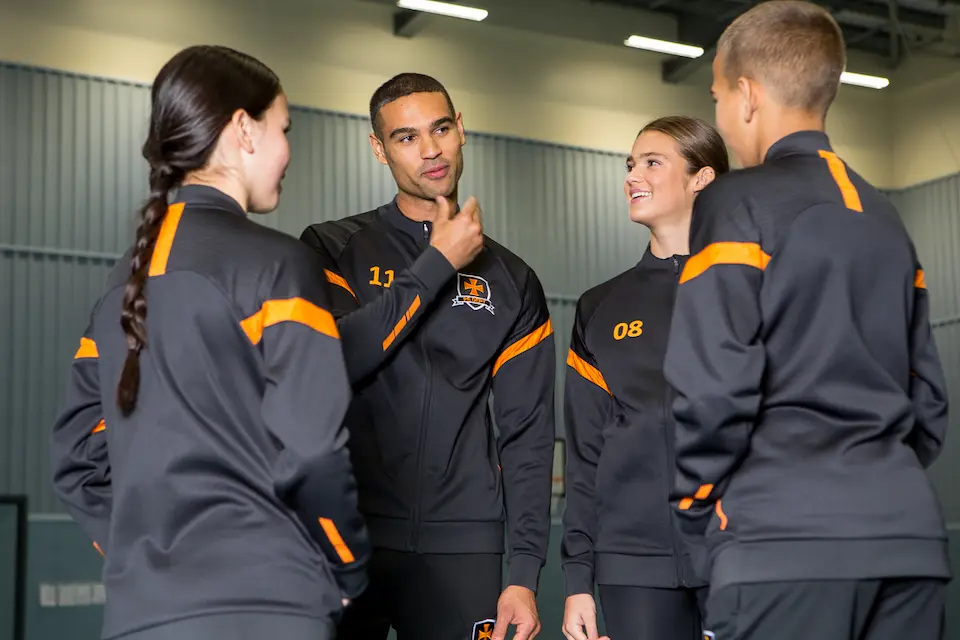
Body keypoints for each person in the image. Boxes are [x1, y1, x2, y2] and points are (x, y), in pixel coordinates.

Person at [49, 45, 370, 640]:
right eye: (284, 129)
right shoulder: (281, 266)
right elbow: (313, 452)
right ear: (244, 130)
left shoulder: (125, 280)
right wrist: (347, 569)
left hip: (141, 613)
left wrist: (140, 555)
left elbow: (76, 459)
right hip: (268, 604)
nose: (288, 151)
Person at [661, 2, 951, 639]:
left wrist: (694, 510)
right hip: (907, 539)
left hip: (780, 538)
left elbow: (712, 387)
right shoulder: (883, 216)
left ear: (746, 96)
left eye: (714, 96)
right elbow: (928, 403)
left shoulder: (735, 203)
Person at [299, 72, 555, 640]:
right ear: (378, 148)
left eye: (440, 128)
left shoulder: (513, 280)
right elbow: (335, 360)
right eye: (406, 137)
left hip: (464, 545)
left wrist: (525, 572)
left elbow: (528, 435)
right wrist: (437, 262)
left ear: (461, 129)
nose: (430, 150)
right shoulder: (330, 248)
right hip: (348, 533)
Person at [560, 116, 729, 640]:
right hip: (632, 566)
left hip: (740, 557)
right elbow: (585, 457)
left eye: (652, 162)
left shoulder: (754, 289)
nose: (633, 175)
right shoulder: (599, 307)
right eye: (631, 164)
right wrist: (577, 580)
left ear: (702, 178)